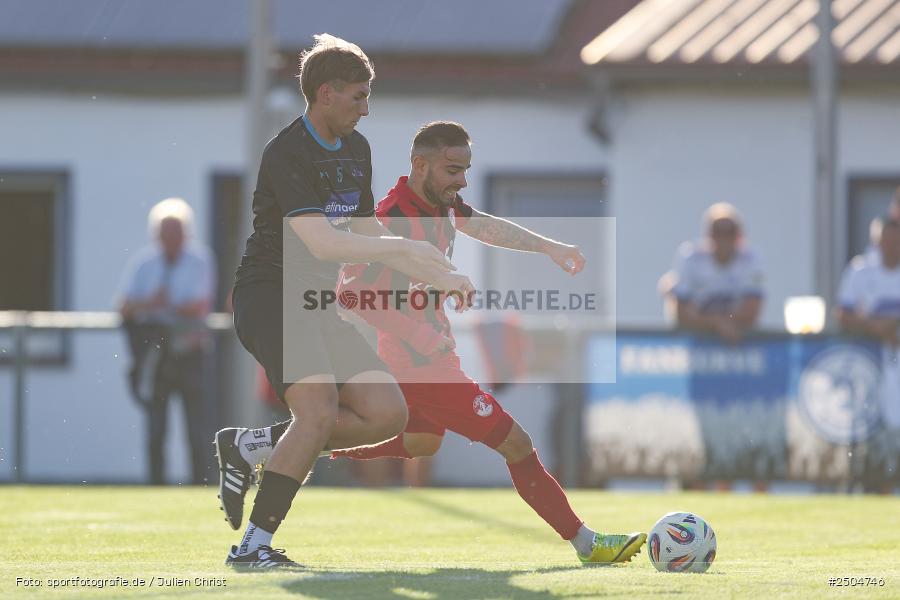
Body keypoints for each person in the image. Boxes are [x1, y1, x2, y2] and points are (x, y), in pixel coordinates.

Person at [222, 121, 646, 565]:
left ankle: (262, 443)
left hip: (428, 360)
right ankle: (587, 543)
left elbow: (483, 226)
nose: (461, 180)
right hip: (421, 366)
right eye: (452, 170)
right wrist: (418, 333)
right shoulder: (391, 218)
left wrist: (549, 248)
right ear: (419, 165)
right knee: (516, 444)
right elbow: (348, 292)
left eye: (465, 169)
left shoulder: (440, 206)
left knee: (421, 443)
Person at [217, 35, 474, 569]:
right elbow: (323, 242)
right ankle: (253, 547)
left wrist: (436, 269)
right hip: (269, 295)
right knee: (315, 413)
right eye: (358, 96)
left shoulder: (357, 150)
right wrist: (409, 248)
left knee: (387, 414)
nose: (366, 108)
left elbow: (364, 234)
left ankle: (253, 445)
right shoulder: (287, 151)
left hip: (316, 301)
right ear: (326, 93)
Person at [118, 197, 215, 485]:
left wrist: (157, 305)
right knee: (156, 426)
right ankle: (156, 485)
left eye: (176, 232)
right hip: (157, 355)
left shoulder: (200, 260)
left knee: (196, 427)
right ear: (156, 234)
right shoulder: (144, 263)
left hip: (190, 353)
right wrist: (155, 303)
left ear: (187, 233)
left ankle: (200, 484)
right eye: (165, 232)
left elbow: (198, 306)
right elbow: (124, 306)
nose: (171, 239)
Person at [837, 216, 900, 493]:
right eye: (886, 239)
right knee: (872, 427)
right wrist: (876, 328)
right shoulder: (861, 271)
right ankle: (876, 484)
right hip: (871, 362)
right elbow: (844, 314)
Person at [661, 203, 764, 344]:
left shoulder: (751, 260)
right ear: (708, 235)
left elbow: (751, 312)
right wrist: (718, 324)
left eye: (730, 232)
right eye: (718, 232)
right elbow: (681, 314)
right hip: (693, 344)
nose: (724, 239)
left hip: (733, 344)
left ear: (740, 236)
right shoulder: (691, 258)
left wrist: (714, 322)